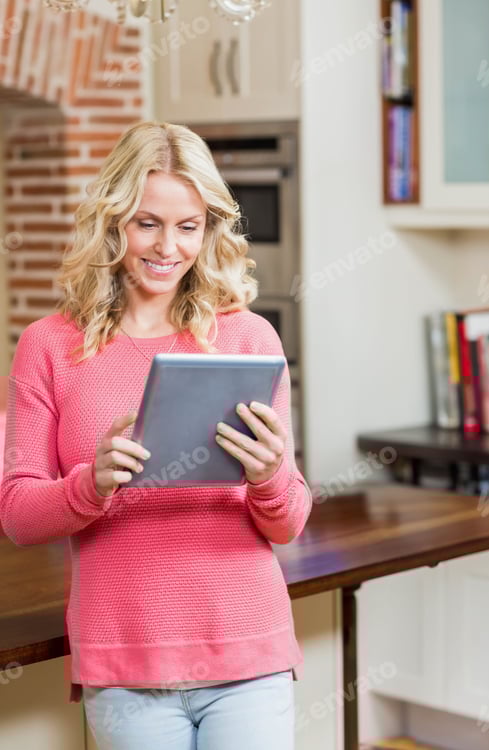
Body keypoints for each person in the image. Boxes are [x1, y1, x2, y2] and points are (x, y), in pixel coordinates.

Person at [0, 121, 312, 750]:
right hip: (125, 660)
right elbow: (17, 515)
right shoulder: (48, 347)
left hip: (247, 649)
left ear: (208, 229)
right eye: (147, 223)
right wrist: (90, 483)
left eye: (188, 226)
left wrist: (270, 475)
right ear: (112, 221)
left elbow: (289, 522)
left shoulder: (248, 338)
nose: (168, 246)